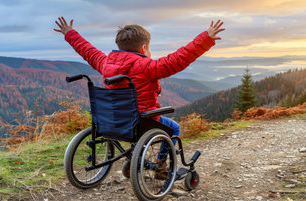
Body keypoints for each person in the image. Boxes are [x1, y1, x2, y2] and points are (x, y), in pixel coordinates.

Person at [54, 16, 224, 178]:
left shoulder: (105, 63)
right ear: (144, 48)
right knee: (174, 128)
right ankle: (160, 164)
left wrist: (70, 33)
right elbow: (178, 59)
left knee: (139, 118)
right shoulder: (147, 66)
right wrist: (206, 38)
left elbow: (87, 50)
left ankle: (134, 159)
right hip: (141, 123)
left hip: (112, 121)